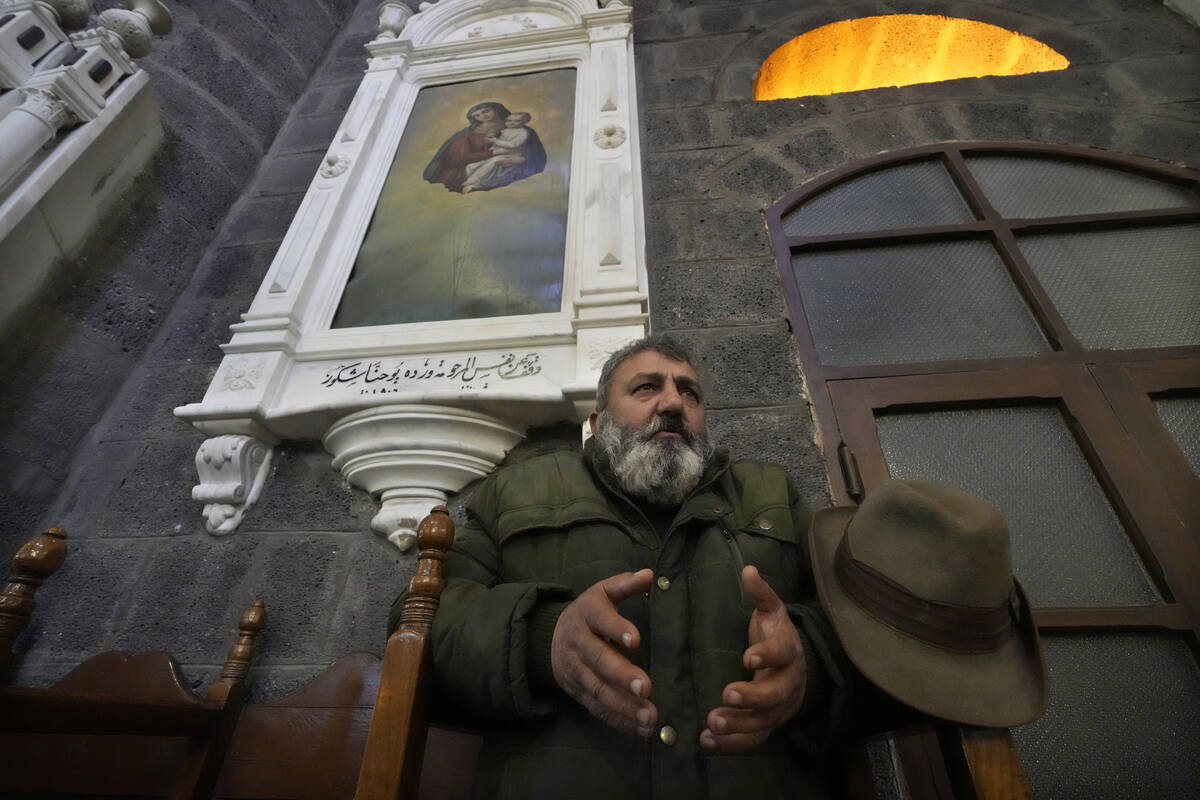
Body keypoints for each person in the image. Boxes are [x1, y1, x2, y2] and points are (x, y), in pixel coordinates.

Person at [419, 335, 854, 800]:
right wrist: (544, 640)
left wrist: (809, 665)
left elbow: (868, 630)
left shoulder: (772, 495)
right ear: (598, 425)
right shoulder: (513, 495)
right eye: (646, 388)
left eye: (690, 393)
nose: (673, 403)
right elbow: (426, 627)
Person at [423, 102, 546, 194]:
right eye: (477, 115)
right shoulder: (467, 135)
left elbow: (536, 154)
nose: (483, 116)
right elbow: (456, 159)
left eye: (486, 111)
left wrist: (523, 160)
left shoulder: (522, 130)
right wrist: (493, 153)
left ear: (497, 110)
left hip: (512, 174)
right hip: (463, 174)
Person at [462, 112, 539, 193]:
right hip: (498, 153)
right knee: (471, 166)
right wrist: (490, 146)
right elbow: (496, 144)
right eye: (509, 120)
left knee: (492, 163)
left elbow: (513, 145)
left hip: (511, 156)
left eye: (517, 121)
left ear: (524, 122)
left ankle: (475, 181)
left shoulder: (523, 133)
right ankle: (470, 180)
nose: (512, 123)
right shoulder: (505, 131)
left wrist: (496, 141)